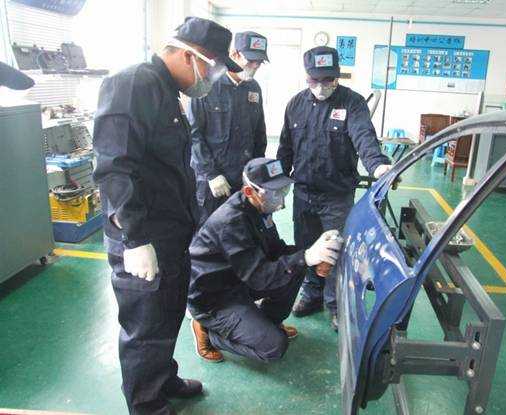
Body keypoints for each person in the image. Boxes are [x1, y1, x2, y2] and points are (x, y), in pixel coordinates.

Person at [93, 17, 241, 415]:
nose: (211, 77)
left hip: (170, 235)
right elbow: (114, 168)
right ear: (187, 54)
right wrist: (135, 239)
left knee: (167, 316)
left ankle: (163, 379)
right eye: (211, 66)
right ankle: (146, 404)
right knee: (145, 327)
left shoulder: (166, 91)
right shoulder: (133, 84)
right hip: (144, 239)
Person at [276, 46, 391, 331]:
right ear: (306, 76)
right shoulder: (295, 104)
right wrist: (277, 186)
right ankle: (311, 294)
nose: (321, 86)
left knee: (336, 252)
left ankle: (336, 304)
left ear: (337, 76)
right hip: (304, 193)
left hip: (336, 196)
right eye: (314, 80)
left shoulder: (352, 103)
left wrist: (377, 165)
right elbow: (285, 149)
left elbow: (364, 136)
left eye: (328, 80)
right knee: (307, 247)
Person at [187, 158, 343, 363]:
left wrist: (313, 254)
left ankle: (267, 323)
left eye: (283, 190)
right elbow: (260, 277)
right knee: (274, 347)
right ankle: (209, 333)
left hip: (238, 279)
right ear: (249, 191)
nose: (281, 200)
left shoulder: (258, 209)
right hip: (214, 299)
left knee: (297, 266)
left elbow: (275, 251)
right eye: (274, 193)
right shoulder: (231, 222)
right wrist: (306, 256)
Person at [186, 31, 269, 226]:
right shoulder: (206, 85)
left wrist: (255, 174)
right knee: (209, 230)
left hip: (243, 180)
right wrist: (211, 174)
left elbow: (259, 134)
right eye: (251, 60)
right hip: (213, 182)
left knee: (241, 229)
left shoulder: (254, 89)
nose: (255, 66)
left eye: (259, 62)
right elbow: (193, 135)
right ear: (234, 55)